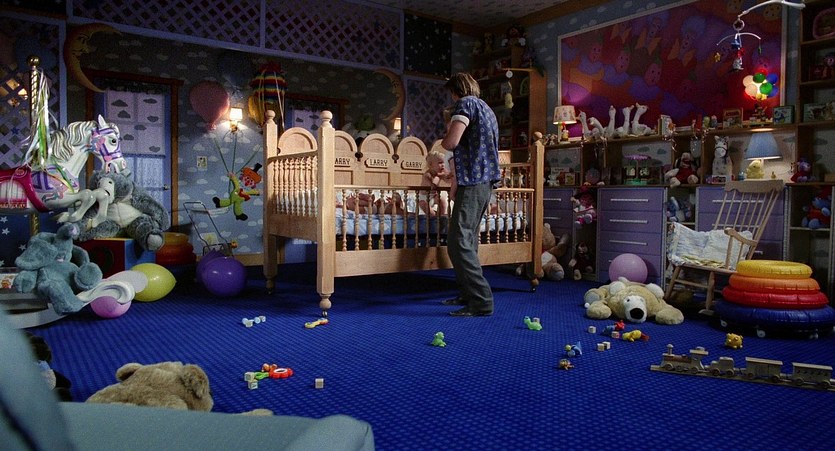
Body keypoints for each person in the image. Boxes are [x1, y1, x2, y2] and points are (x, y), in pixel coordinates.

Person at [439, 72, 501, 317]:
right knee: (468, 240)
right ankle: (468, 293)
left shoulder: (465, 104)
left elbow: (452, 142)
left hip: (474, 179)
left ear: (455, 90)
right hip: (483, 180)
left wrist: (444, 140)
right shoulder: (487, 109)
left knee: (459, 241)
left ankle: (481, 300)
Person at [419, 148, 454, 216]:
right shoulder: (427, 174)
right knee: (423, 204)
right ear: (431, 165)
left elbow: (448, 181)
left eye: (444, 162)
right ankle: (434, 216)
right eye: (440, 163)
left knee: (442, 200)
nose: (443, 165)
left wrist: (449, 176)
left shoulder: (440, 173)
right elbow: (432, 186)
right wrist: (437, 177)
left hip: (434, 196)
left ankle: (442, 215)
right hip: (425, 198)